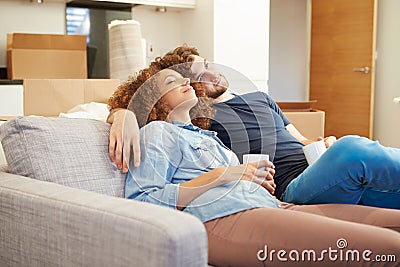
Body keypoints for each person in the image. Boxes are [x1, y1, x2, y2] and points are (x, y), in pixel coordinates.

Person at [116, 56, 400, 267]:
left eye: (185, 78)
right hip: (226, 216)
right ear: (154, 103)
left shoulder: (208, 137)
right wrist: (227, 174)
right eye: (172, 81)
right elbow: (143, 201)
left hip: (272, 204)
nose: (185, 82)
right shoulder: (157, 132)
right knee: (391, 247)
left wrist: (255, 179)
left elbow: (297, 142)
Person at [107, 45, 400, 209]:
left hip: (320, 169)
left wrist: (325, 144)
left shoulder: (261, 98)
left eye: (208, 64)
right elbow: (144, 104)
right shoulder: (200, 122)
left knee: (370, 183)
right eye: (197, 74)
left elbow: (300, 139)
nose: (210, 72)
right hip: (290, 188)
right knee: (353, 147)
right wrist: (123, 114)